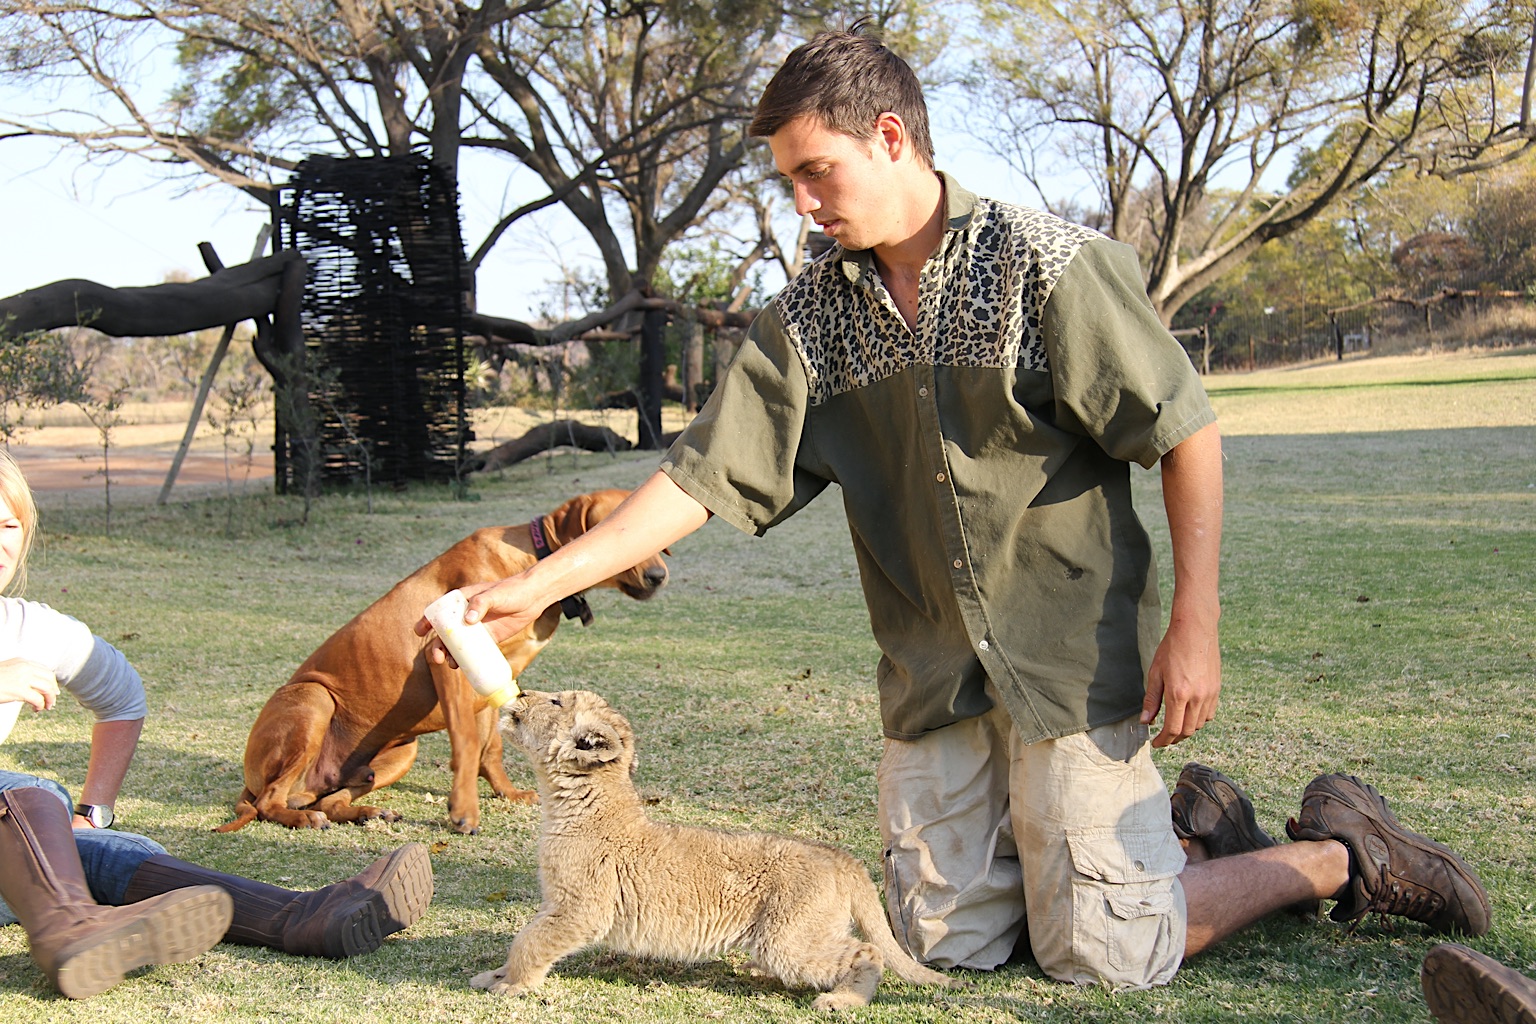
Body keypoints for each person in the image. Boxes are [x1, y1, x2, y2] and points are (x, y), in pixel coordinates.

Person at [421, 26, 1490, 991]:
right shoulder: (809, 321)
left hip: (1069, 668)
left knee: (1105, 957)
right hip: (934, 677)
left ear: (890, 137)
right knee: (945, 948)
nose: (802, 203)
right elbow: (697, 481)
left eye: (815, 171)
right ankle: (1176, 841)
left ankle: (1331, 853)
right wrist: (534, 587)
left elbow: (1185, 430)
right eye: (790, 180)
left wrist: (1194, 623)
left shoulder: (1049, 267)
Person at [0, 448, 433, 999]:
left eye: (8, 525)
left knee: (109, 849)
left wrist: (94, 811)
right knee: (31, 796)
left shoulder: (28, 628)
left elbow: (122, 697)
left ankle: (299, 917)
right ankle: (70, 927)